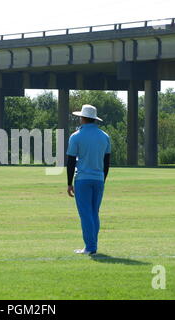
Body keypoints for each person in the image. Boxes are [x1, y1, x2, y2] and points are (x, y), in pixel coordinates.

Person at [66, 105, 111, 255]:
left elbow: (71, 161)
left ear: (82, 118)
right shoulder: (104, 136)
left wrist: (69, 183)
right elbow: (107, 162)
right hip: (98, 179)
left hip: (83, 179)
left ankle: (90, 247)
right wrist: (102, 179)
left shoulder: (76, 136)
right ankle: (93, 244)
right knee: (94, 213)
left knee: (85, 213)